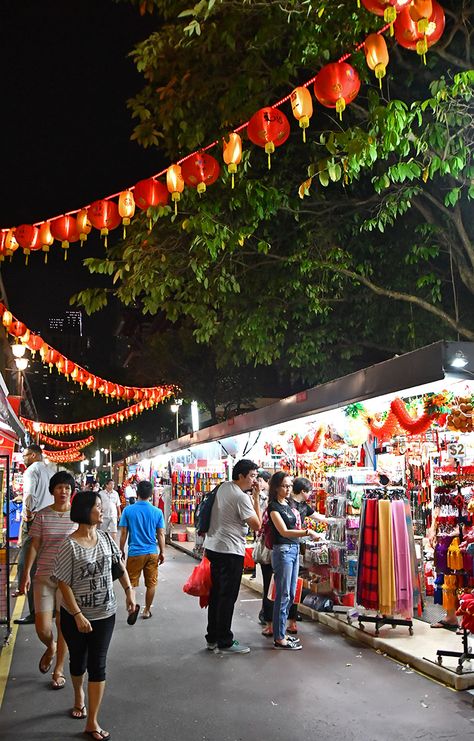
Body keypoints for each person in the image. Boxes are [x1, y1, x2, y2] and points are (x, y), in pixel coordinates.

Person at [53, 491, 135, 741]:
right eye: (98, 506)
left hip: (105, 614)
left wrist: (129, 592)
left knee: (98, 665)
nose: (102, 510)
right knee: (78, 661)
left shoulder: (106, 539)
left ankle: (92, 722)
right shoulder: (69, 545)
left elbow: (118, 567)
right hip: (75, 617)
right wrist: (77, 614)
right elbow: (63, 584)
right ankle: (79, 695)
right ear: (85, 511)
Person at [19, 471, 77, 689]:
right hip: (43, 575)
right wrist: (25, 575)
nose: (63, 491)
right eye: (60, 487)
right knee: (43, 627)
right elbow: (34, 545)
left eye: (67, 488)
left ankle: (59, 670)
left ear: (72, 492)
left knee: (64, 626)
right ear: (53, 490)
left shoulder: (77, 516)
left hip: (68, 578)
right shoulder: (42, 515)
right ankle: (50, 646)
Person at [204, 459, 262, 654]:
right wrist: (256, 499)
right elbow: (257, 525)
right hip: (230, 551)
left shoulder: (224, 487)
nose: (254, 481)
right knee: (227, 597)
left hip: (214, 547)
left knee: (217, 595)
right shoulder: (241, 497)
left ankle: (212, 637)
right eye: (252, 476)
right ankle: (225, 640)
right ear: (241, 476)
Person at [268, 471, 319, 650]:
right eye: (285, 486)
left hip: (294, 549)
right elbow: (284, 532)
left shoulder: (288, 504)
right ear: (276, 487)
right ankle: (279, 637)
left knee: (290, 593)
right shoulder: (274, 507)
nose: (288, 489)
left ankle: (281, 633)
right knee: (283, 594)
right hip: (283, 551)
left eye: (290, 485)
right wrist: (307, 532)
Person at [15, 444, 53, 625]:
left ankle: (34, 611)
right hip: (48, 520)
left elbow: (30, 495)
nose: (24, 458)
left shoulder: (31, 471)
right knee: (44, 565)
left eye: (26, 455)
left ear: (35, 455)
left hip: (34, 520)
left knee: (27, 565)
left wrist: (29, 516)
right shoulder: (49, 470)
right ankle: (49, 608)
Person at [119, 480, 165, 619]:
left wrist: (121, 550)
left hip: (135, 553)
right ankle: (146, 611)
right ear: (151, 495)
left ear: (137, 493)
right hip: (152, 552)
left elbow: (123, 533)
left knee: (130, 584)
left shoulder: (128, 510)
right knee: (151, 584)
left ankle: (132, 609)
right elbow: (161, 534)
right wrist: (162, 552)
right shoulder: (157, 512)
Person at [286, 477, 327, 634]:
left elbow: (319, 517)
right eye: (309, 491)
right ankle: (273, 619)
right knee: (285, 586)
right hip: (286, 548)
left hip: (297, 547)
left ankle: (291, 620)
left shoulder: (304, 506)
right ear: (303, 491)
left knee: (294, 584)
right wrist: (308, 533)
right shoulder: (286, 505)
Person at [98, 479, 121, 545]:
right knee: (102, 531)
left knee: (114, 531)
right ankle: (102, 544)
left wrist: (119, 514)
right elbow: (98, 504)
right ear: (107, 485)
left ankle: (112, 544)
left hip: (113, 515)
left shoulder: (115, 493)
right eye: (111, 484)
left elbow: (118, 504)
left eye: (113, 484)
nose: (112, 485)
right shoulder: (101, 493)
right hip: (104, 515)